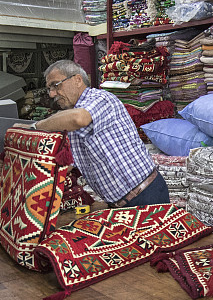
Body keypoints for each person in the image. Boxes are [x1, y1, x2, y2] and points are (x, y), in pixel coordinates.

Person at [21, 59, 169, 208]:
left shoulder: (100, 98)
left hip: (146, 195)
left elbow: (79, 119)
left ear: (77, 80)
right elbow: (69, 165)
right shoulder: (70, 120)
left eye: (55, 85)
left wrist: (35, 127)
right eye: (49, 89)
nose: (52, 94)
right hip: (119, 204)